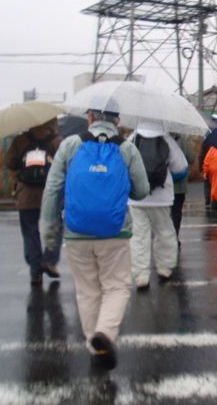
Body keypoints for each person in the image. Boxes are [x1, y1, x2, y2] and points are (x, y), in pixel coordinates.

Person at [40, 109, 149, 370]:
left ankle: (95, 345)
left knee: (87, 291)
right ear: (117, 120)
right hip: (115, 231)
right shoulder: (126, 148)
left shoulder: (70, 145)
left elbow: (52, 189)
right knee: (117, 287)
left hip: (76, 232)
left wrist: (50, 235)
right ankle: (105, 334)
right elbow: (142, 191)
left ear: (90, 118)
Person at [128, 121, 188, 290]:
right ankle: (165, 268)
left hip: (137, 196)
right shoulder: (166, 139)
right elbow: (181, 166)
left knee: (139, 236)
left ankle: (140, 276)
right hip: (161, 196)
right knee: (165, 232)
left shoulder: (133, 138)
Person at [5, 118, 63, 286]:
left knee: (30, 232)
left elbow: (10, 163)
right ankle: (50, 260)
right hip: (50, 194)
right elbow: (66, 164)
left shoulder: (20, 140)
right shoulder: (57, 141)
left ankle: (35, 270)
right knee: (56, 227)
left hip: (26, 195)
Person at [170, 134, 195, 248]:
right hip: (178, 185)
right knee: (176, 212)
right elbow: (191, 158)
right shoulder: (181, 139)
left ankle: (165, 239)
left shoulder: (156, 137)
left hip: (160, 185)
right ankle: (174, 236)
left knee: (162, 215)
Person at [202, 146, 217, 218]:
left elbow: (206, 161)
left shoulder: (212, 149)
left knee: (215, 187)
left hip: (213, 170)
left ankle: (215, 204)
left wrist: (205, 171)